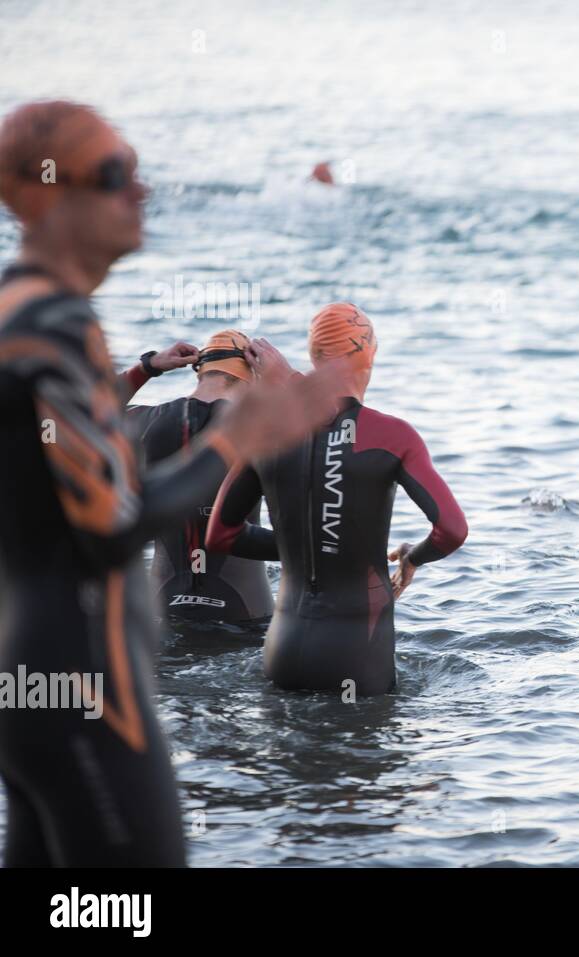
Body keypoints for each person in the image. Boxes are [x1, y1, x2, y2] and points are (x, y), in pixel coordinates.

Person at [0, 100, 343, 865]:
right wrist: (241, 436)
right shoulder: (49, 325)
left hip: (33, 678)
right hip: (85, 684)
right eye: (115, 174)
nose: (142, 191)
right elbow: (111, 525)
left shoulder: (30, 314)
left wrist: (147, 372)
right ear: (47, 193)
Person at [205, 302, 468, 697]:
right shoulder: (392, 436)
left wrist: (302, 545)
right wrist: (413, 557)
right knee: (358, 752)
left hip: (283, 649)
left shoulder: (268, 431)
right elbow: (451, 530)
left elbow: (220, 536)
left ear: (314, 357)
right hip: (356, 656)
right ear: (371, 353)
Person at [126, 330, 292, 623]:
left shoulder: (143, 420)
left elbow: (78, 412)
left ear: (199, 374)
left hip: (161, 606)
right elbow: (339, 431)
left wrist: (147, 367)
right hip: (245, 608)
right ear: (252, 378)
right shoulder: (265, 429)